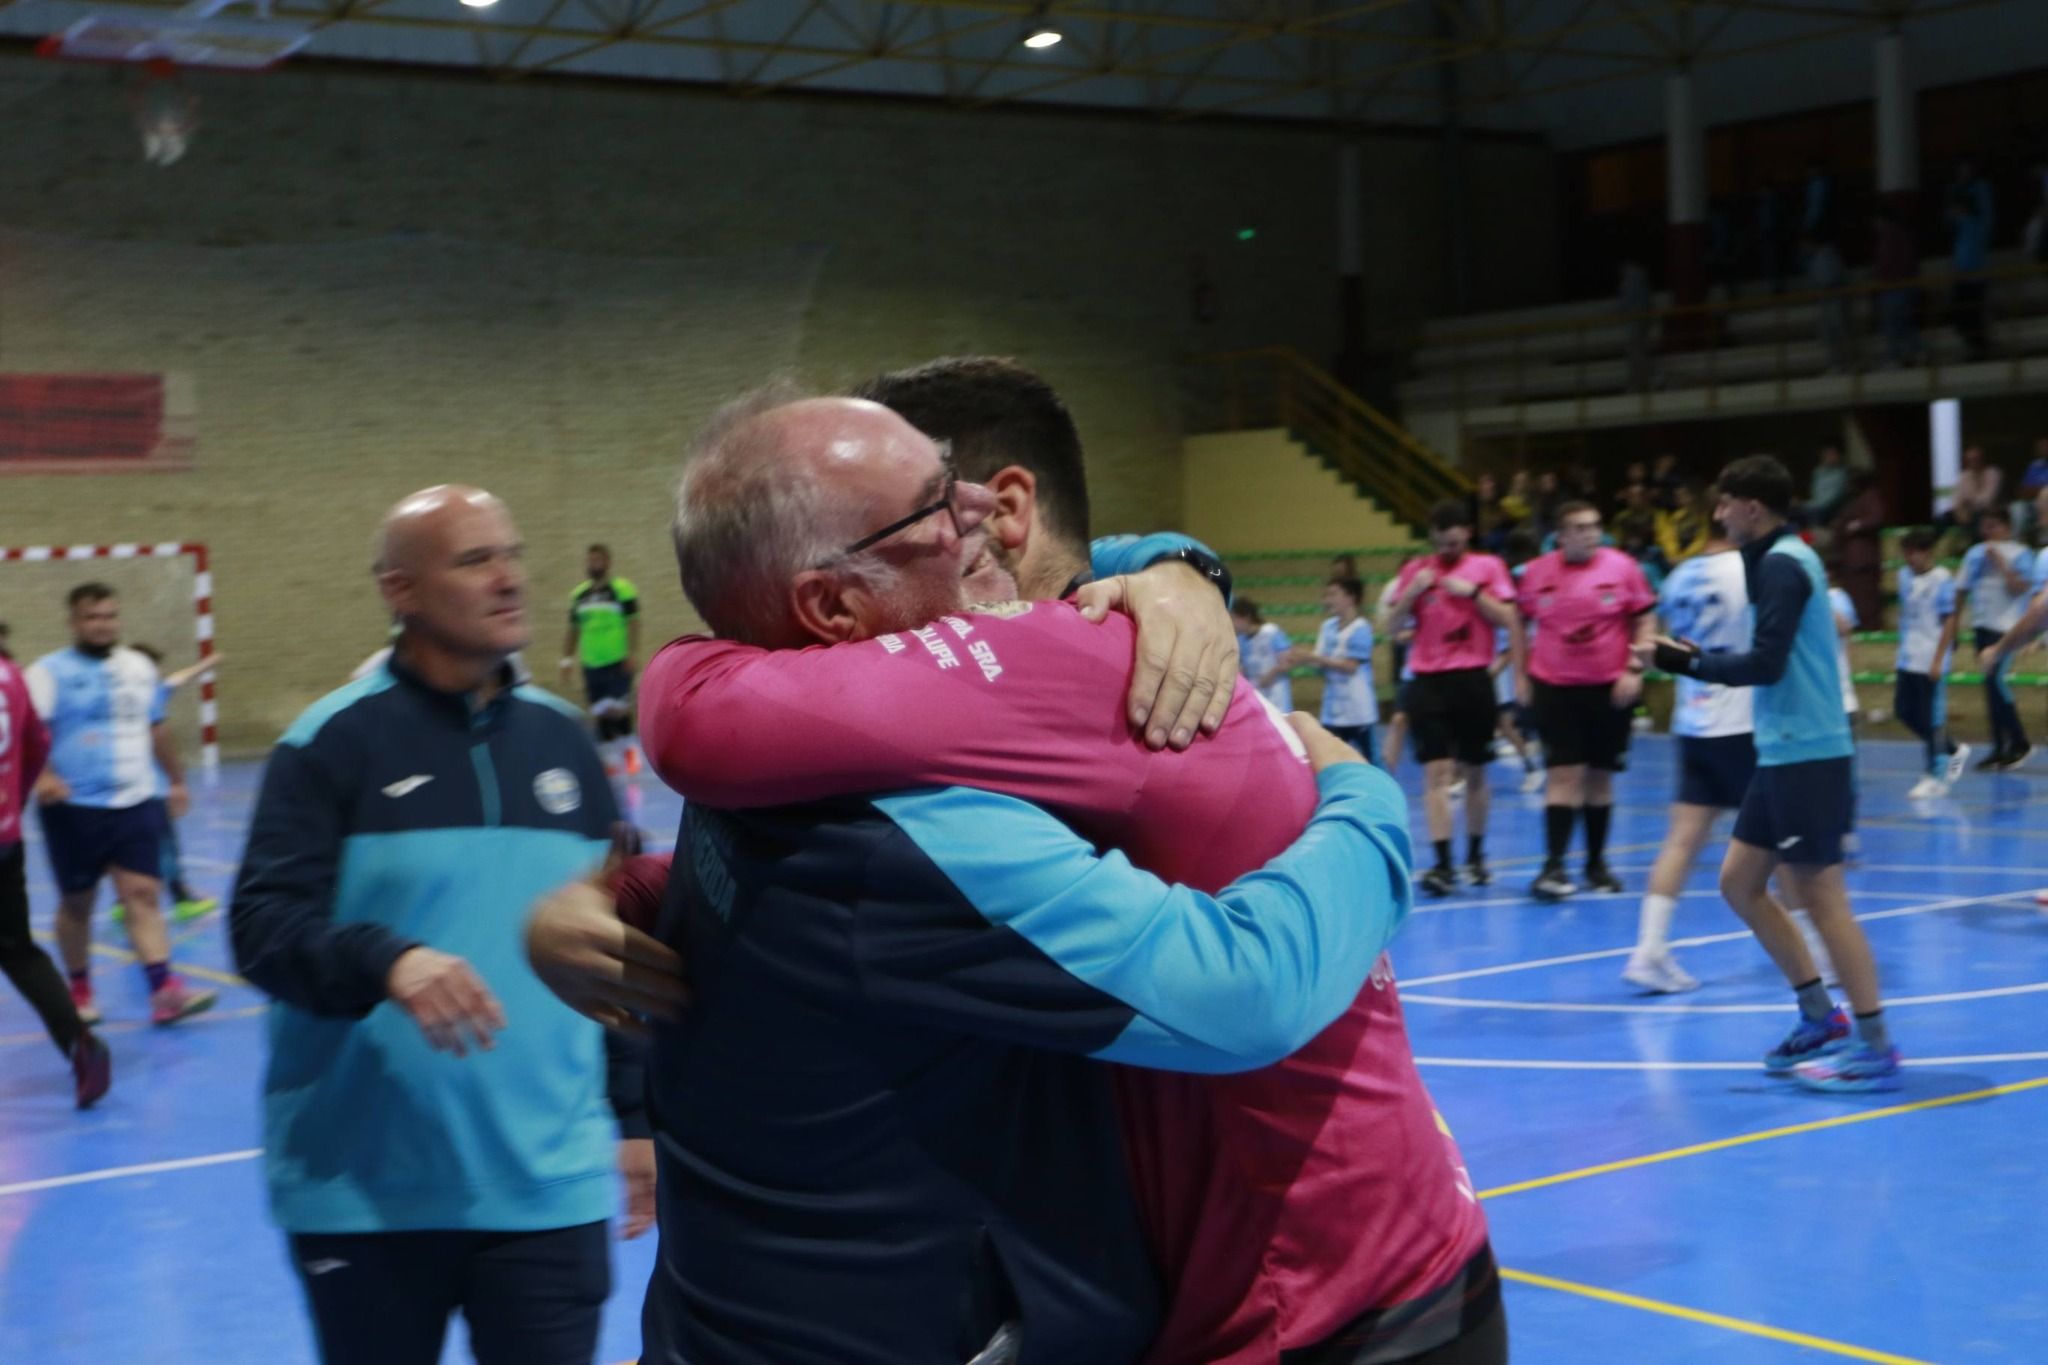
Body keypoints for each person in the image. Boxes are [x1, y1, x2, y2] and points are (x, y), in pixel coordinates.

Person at [532, 387, 1499, 1365]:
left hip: (1343, 1294)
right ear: (828, 607)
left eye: (970, 497)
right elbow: (785, 877)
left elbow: (1245, 990)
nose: (971, 524)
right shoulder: (849, 772)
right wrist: (608, 896)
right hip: (1251, 1287)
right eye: (933, 507)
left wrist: (1363, 805)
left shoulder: (927, 711)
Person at [229, 486, 656, 1365]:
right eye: (475, 560)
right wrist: (387, 957)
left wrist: (638, 1117)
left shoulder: (568, 743)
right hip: (367, 1187)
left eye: (513, 554)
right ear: (401, 589)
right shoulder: (331, 743)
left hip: (550, 1182)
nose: (511, 580)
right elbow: (262, 925)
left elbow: (608, 940)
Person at [1643, 455, 1901, 1093]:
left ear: (1751, 507)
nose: (1718, 514)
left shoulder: (1784, 565)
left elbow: (1766, 663)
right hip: (1783, 749)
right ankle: (1819, 1016)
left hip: (1809, 751)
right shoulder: (1770, 559)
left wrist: (1687, 663)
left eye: (1725, 503)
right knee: (1738, 882)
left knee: (1822, 895)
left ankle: (1876, 1045)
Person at [25, 584, 214, 1028]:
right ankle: (79, 990)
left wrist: (176, 781)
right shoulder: (47, 672)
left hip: (135, 800)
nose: (102, 624)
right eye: (92, 617)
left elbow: (155, 726)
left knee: (143, 894)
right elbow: (30, 733)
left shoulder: (139, 668)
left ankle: (165, 991)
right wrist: (45, 775)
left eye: (110, 615)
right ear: (74, 622)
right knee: (78, 903)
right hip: (75, 806)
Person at [1624, 520, 1749, 994]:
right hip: (1742, 719)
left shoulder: (1678, 577)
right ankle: (1821, 958)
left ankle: (1649, 950)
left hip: (1692, 719)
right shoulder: (1751, 571)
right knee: (1781, 840)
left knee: (1681, 840)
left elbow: (1671, 645)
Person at [1515, 501, 1658, 902]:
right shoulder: (1536, 573)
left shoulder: (1623, 567)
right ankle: (1553, 864)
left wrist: (1634, 668)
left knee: (1600, 777)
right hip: (1555, 687)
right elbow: (1517, 620)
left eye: (1595, 526)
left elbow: (1645, 617)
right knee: (1563, 774)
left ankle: (1596, 864)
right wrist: (1520, 674)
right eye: (1579, 527)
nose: (1590, 534)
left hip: (1609, 688)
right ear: (1561, 535)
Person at [1384, 499, 1523, 895]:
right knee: (1436, 774)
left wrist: (1474, 593)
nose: (1449, 544)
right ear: (1433, 537)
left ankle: (1476, 856)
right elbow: (1392, 627)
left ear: (1467, 533)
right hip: (1428, 682)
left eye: (1456, 536)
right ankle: (1443, 864)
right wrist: (1411, 593)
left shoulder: (1488, 568)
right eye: (1442, 539)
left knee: (1476, 771)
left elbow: (1508, 617)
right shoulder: (1416, 571)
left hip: (1474, 679)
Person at [1, 646, 112, 1107]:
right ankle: (79, 1043)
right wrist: (13, 806)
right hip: (5, 839)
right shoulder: (11, 675)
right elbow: (37, 746)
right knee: (19, 951)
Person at [127, 641, 222, 921]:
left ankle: (125, 899)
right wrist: (176, 779)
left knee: (129, 844)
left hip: (122, 788)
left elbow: (178, 678)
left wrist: (206, 664)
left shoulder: (127, 692)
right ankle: (181, 898)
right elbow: (159, 737)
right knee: (165, 842)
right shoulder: (148, 697)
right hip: (150, 786)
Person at [1893, 529, 1969, 799]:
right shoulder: (1903, 577)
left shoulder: (1942, 580)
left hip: (1930, 658)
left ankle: (1935, 775)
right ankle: (1950, 747)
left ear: (1928, 553)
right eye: (1906, 553)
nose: (1910, 558)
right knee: (1903, 710)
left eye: (1915, 552)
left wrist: (1939, 658)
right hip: (1907, 656)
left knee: (1932, 717)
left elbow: (1949, 620)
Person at [1959, 507, 2034, 770]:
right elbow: (1963, 587)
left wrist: (2001, 563)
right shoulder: (1974, 554)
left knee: (1997, 682)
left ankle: (2019, 741)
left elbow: (2022, 587)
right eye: (1985, 527)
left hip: (2007, 628)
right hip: (1982, 624)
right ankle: (1998, 746)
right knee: (1989, 688)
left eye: (1993, 526)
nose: (1988, 533)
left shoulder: (2021, 553)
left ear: (2005, 527)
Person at [560, 544, 641, 774]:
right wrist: (566, 660)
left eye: (598, 559)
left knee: (619, 710)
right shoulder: (579, 595)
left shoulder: (623, 590)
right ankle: (610, 763)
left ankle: (631, 757)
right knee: (600, 712)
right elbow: (573, 629)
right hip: (591, 663)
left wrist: (631, 653)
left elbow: (634, 622)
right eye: (590, 560)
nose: (593, 563)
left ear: (607, 562)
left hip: (617, 660)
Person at [1294, 575, 1377, 761]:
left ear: (1351, 598)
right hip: (1332, 710)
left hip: (1358, 709)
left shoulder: (1361, 628)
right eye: (1326, 595)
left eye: (1333, 594)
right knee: (1330, 758)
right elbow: (1319, 662)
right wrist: (1300, 659)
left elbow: (1351, 666)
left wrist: (1313, 657)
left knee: (1371, 761)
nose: (1327, 600)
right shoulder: (1327, 627)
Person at [1948, 162, 1995, 362]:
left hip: (1972, 277)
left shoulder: (1975, 226)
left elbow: (1970, 254)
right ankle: (1976, 346)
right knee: (1966, 317)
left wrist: (1962, 271)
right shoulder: (1964, 227)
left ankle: (1980, 348)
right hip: (1966, 275)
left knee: (1971, 316)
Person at [1828, 470, 1886, 629]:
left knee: (1867, 600)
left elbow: (1876, 518)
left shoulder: (1871, 496)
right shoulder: (1851, 502)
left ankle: (1870, 627)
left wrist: (1855, 526)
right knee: (1855, 599)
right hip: (1850, 563)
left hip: (1865, 561)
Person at [1231, 597, 1293, 713]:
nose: (1232, 624)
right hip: (1257, 697)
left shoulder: (1271, 632)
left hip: (1277, 697)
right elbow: (1243, 669)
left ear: (1246, 617)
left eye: (1234, 619)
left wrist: (1270, 675)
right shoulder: (1240, 640)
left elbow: (1286, 661)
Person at [1950, 444, 2003, 534]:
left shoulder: (1993, 473)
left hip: (1989, 511)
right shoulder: (1964, 476)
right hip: (1966, 513)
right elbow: (1957, 499)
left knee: (1977, 516)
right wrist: (1960, 510)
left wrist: (1969, 502)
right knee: (1944, 518)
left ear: (1982, 459)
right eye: (1970, 460)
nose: (1973, 462)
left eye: (1976, 459)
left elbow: (1988, 499)